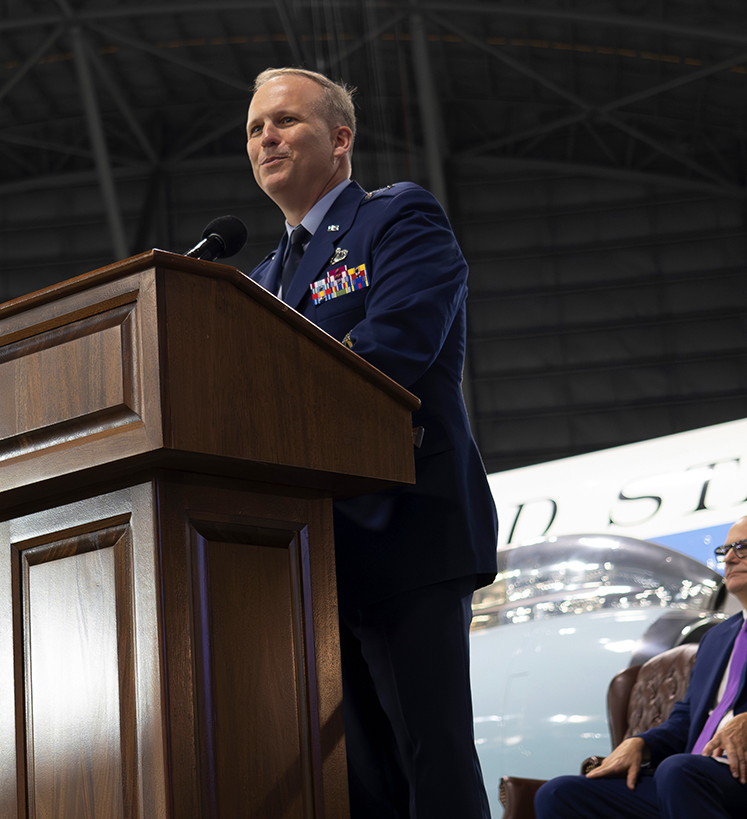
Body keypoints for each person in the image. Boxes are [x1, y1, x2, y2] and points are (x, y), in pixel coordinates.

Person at [244, 67, 498, 819]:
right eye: (256, 129)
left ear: (341, 138)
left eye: (285, 121)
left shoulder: (397, 218)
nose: (267, 138)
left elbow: (393, 348)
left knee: (433, 759)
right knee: (357, 782)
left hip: (405, 526)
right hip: (315, 555)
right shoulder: (259, 278)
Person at [535, 518, 747, 819]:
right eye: (725, 549)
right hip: (688, 777)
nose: (729, 557)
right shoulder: (717, 638)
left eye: (742, 547)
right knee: (560, 794)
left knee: (678, 770)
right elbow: (687, 718)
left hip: (728, 775)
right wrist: (640, 742)